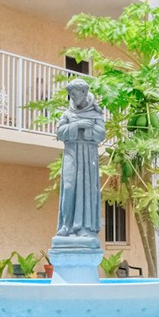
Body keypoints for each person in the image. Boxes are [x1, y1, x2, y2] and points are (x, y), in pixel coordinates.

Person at [55, 79, 105, 241]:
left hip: (88, 155)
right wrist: (77, 125)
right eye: (70, 95)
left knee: (86, 189)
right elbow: (59, 133)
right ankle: (66, 225)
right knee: (69, 187)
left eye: (74, 94)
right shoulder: (67, 114)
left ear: (84, 93)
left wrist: (88, 128)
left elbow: (101, 134)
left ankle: (84, 227)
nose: (72, 98)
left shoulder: (95, 113)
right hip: (71, 153)